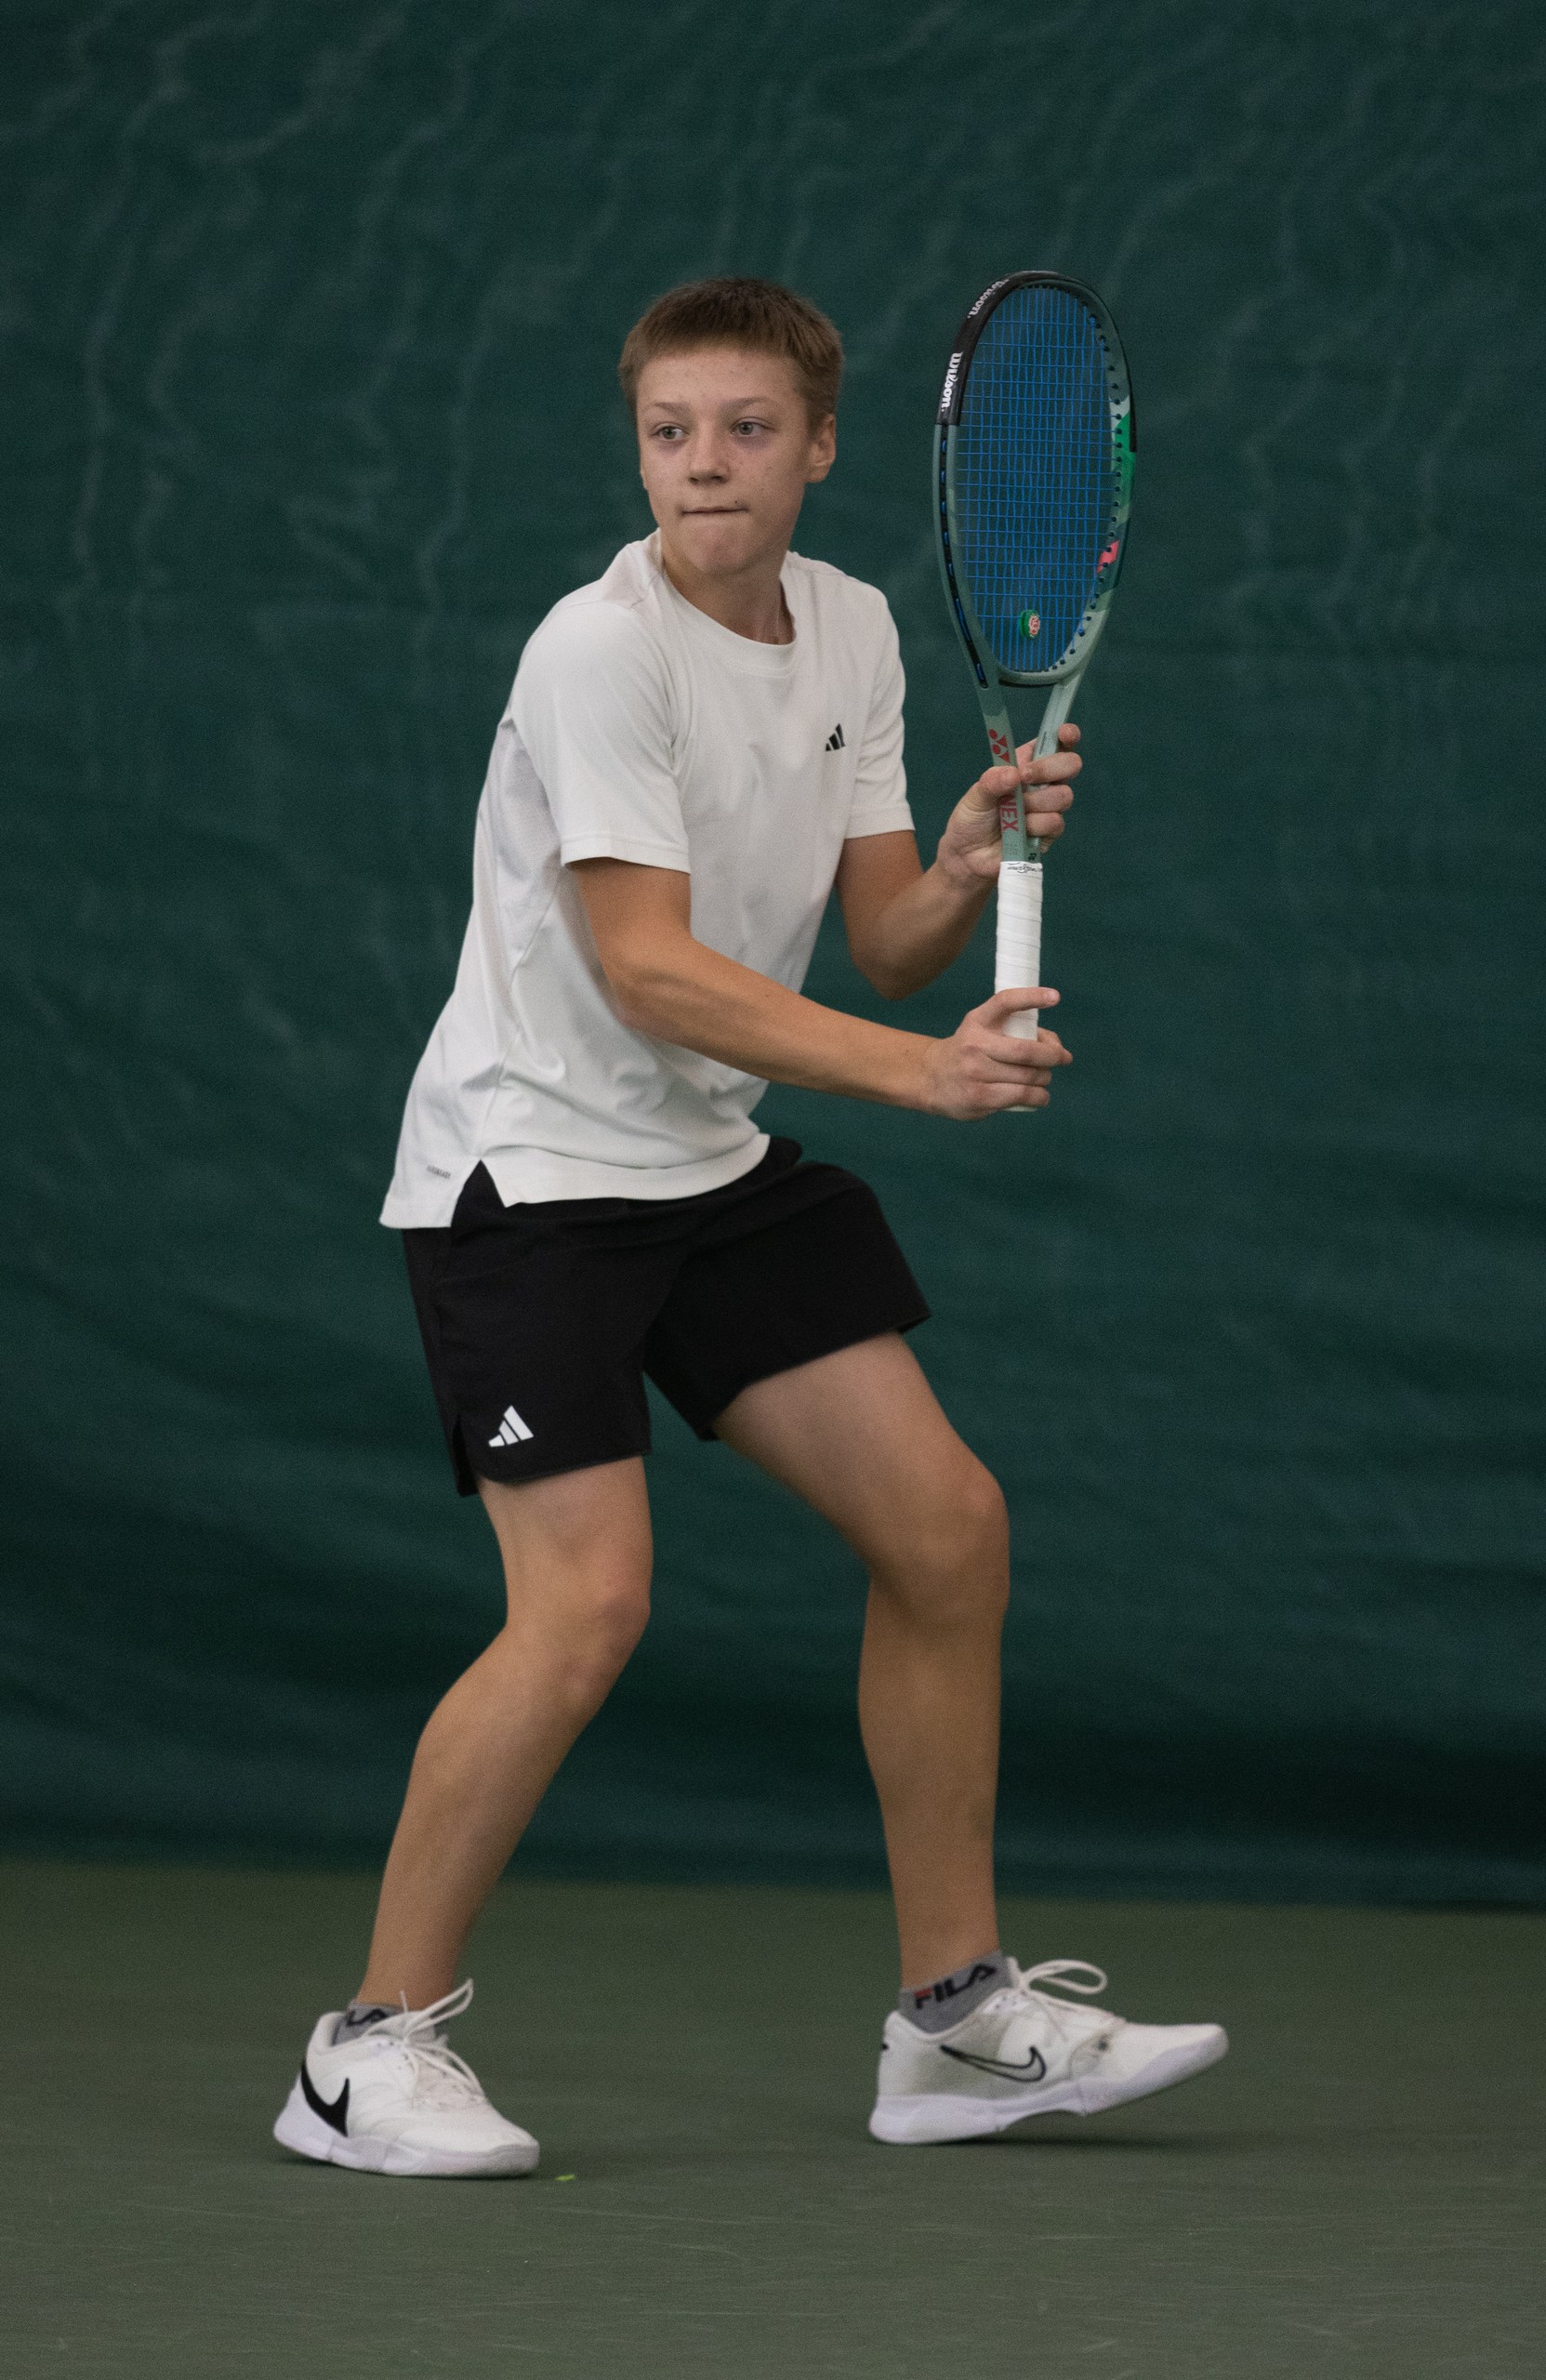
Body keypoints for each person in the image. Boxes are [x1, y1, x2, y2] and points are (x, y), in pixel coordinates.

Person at [272, 276, 1226, 2178]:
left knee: (945, 1529)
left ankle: (954, 2024)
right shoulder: (595, 650)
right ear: (639, 449)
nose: (703, 465)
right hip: (531, 1177)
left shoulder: (851, 628)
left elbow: (883, 936)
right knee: (585, 1607)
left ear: (820, 446)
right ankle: (361, 2052)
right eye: (669, 432)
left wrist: (959, 860)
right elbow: (646, 967)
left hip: (703, 1165)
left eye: (745, 429)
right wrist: (919, 1078)